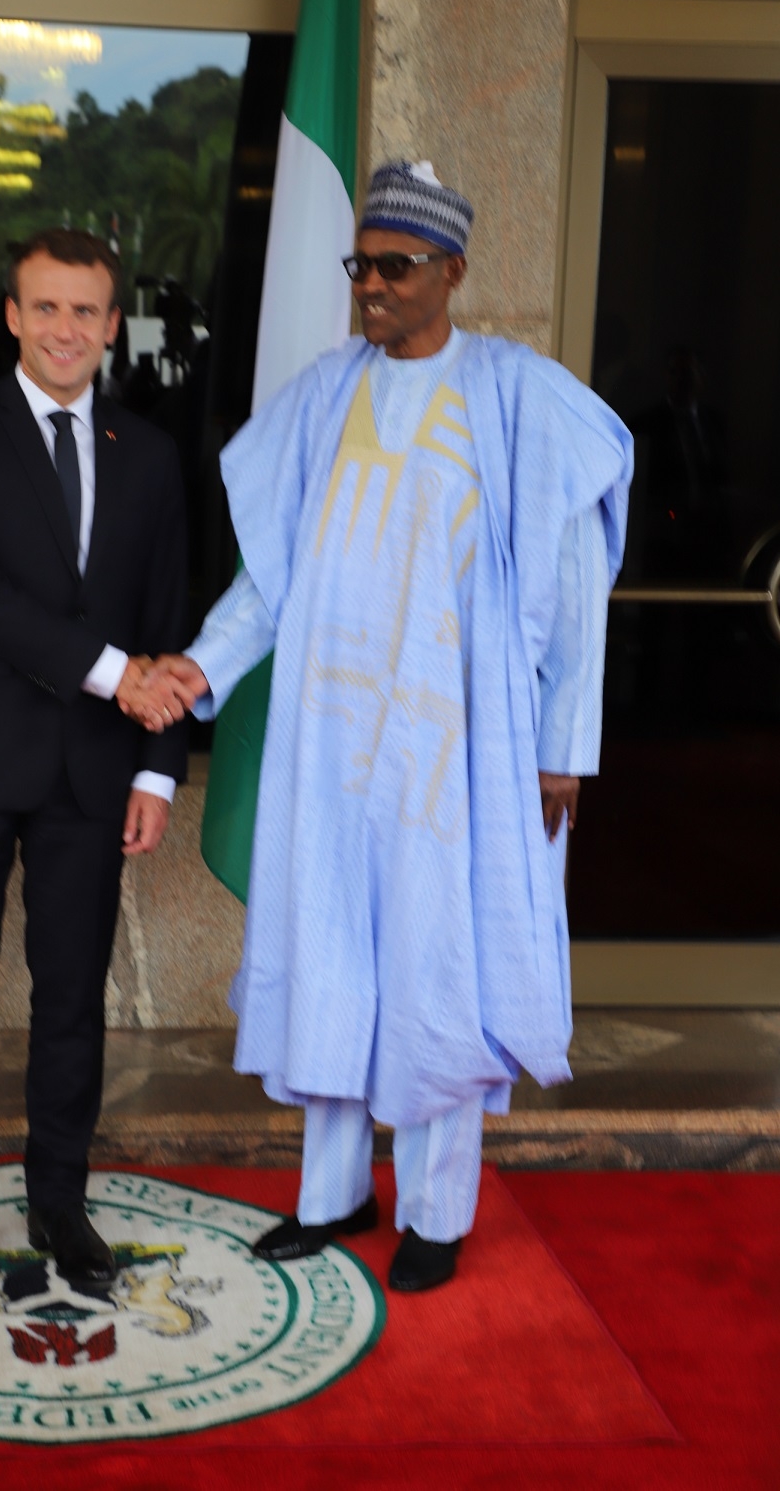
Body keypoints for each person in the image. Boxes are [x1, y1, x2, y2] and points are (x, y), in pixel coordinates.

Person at [153, 162, 632, 1292]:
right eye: (358, 264)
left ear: (452, 272)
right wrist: (196, 669)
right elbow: (272, 579)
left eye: (394, 266)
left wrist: (564, 743)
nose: (369, 284)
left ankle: (435, 1207)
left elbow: (572, 586)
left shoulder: (519, 394)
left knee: (435, 962)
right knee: (332, 949)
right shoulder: (325, 395)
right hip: (330, 738)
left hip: (455, 747)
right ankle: (330, 1195)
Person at [0, 228, 195, 1299]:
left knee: (72, 999)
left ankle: (59, 1200)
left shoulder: (149, 453)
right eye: (45, 307)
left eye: (86, 311)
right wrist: (121, 676)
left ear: (114, 326)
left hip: (92, 771)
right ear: (12, 317)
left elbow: (169, 617)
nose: (66, 329)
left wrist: (158, 768)